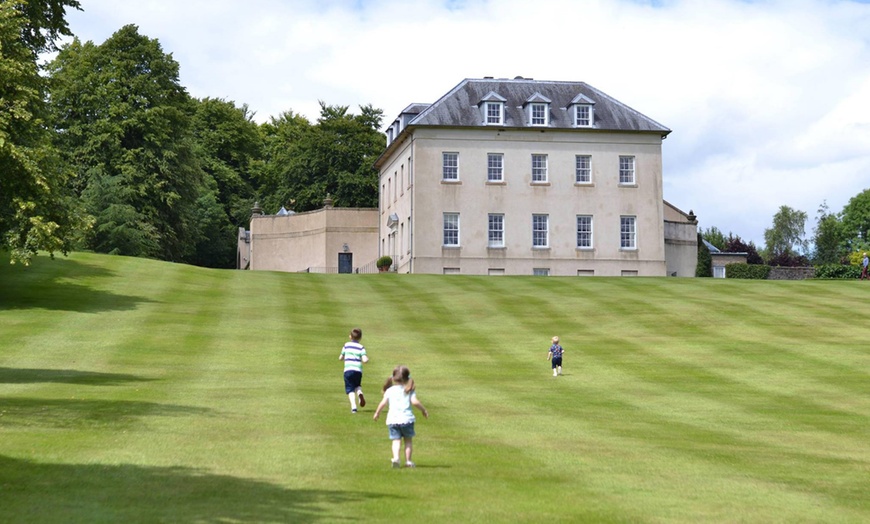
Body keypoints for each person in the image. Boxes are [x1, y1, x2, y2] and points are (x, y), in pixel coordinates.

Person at [373, 365, 429, 468]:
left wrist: (377, 413)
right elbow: (415, 402)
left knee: (396, 440)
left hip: (393, 420)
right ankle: (408, 461)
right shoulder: (408, 390)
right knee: (408, 441)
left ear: (394, 378)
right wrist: (424, 410)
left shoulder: (390, 391)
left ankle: (396, 459)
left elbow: (383, 403)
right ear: (407, 378)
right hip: (407, 419)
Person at [339, 328, 368, 413]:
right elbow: (364, 359)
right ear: (360, 338)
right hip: (358, 370)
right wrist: (366, 359)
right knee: (357, 385)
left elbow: (341, 357)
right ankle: (359, 393)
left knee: (350, 389)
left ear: (350, 336)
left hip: (348, 370)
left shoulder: (346, 345)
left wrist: (342, 357)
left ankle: (354, 407)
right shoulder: (361, 347)